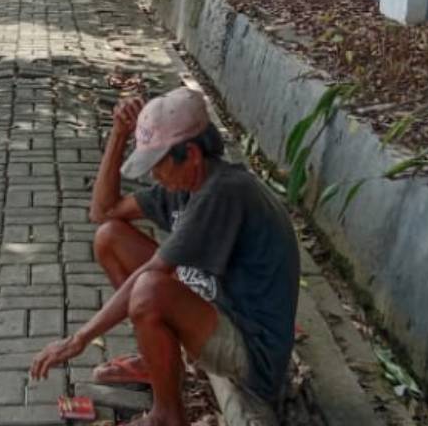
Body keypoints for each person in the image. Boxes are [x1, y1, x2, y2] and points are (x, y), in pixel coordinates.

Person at [29, 87, 300, 426]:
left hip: (253, 353)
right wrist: (118, 135)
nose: (154, 176)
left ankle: (167, 416)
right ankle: (157, 358)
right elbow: (103, 212)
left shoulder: (224, 192)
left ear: (192, 154)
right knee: (110, 238)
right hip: (216, 306)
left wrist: (78, 339)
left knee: (149, 291)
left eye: (158, 165)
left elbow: (154, 274)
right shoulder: (185, 184)